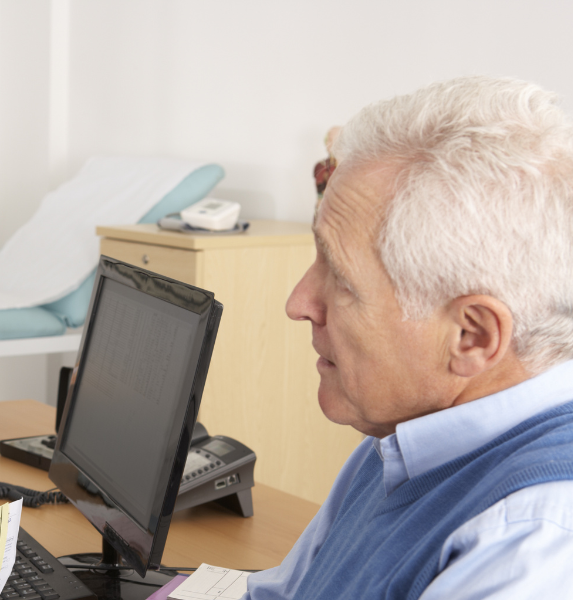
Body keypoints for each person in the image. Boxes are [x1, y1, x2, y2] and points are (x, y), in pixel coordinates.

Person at [245, 76, 573, 599]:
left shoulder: (533, 538)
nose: (299, 303)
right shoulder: (402, 438)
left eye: (341, 278)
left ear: (471, 336)